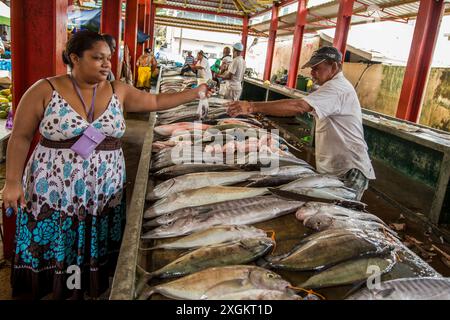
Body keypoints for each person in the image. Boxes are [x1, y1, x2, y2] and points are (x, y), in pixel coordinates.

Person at [2, 31, 210, 300]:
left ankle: (83, 288)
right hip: (54, 190)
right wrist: (12, 182)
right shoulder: (44, 89)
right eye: (97, 58)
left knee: (94, 238)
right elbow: (20, 137)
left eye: (108, 59)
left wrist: (194, 93)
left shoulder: (118, 90)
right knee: (57, 238)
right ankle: (53, 289)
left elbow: (156, 102)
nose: (106, 65)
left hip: (103, 189)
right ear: (75, 58)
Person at [227, 46, 375, 200]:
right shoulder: (331, 87)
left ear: (335, 66)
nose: (312, 73)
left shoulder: (337, 88)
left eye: (317, 68)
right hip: (336, 168)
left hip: (349, 170)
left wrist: (252, 107)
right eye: (312, 68)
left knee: (340, 214)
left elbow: (299, 106)